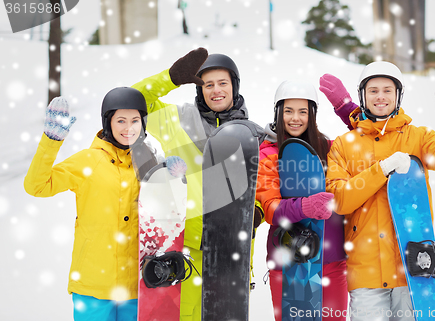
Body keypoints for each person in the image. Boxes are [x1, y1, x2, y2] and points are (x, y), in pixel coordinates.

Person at [324, 62, 435, 321]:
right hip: (366, 275)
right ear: (362, 96)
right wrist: (381, 170)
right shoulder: (343, 145)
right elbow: (339, 200)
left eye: (387, 90)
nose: (380, 96)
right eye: (373, 91)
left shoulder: (417, 138)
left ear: (398, 95)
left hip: (412, 271)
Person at [131, 48, 265, 320]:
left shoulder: (251, 134)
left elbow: (262, 186)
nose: (216, 90)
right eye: (208, 84)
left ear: (234, 86)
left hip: (231, 254)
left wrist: (257, 209)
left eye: (223, 83)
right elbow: (131, 102)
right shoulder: (176, 120)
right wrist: (169, 78)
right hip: (187, 253)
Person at [24, 87, 154, 320]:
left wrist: (174, 176)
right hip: (94, 287)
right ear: (108, 122)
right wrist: (50, 143)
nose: (128, 128)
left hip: (137, 285)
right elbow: (36, 186)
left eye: (135, 120)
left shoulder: (147, 162)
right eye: (121, 120)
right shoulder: (89, 160)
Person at [256, 79, 357, 320]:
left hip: (332, 262)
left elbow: (367, 140)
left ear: (312, 115)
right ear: (277, 112)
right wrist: (304, 207)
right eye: (288, 111)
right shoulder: (267, 154)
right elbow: (270, 208)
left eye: (303, 112)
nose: (295, 118)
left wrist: (346, 109)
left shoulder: (330, 148)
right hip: (290, 262)